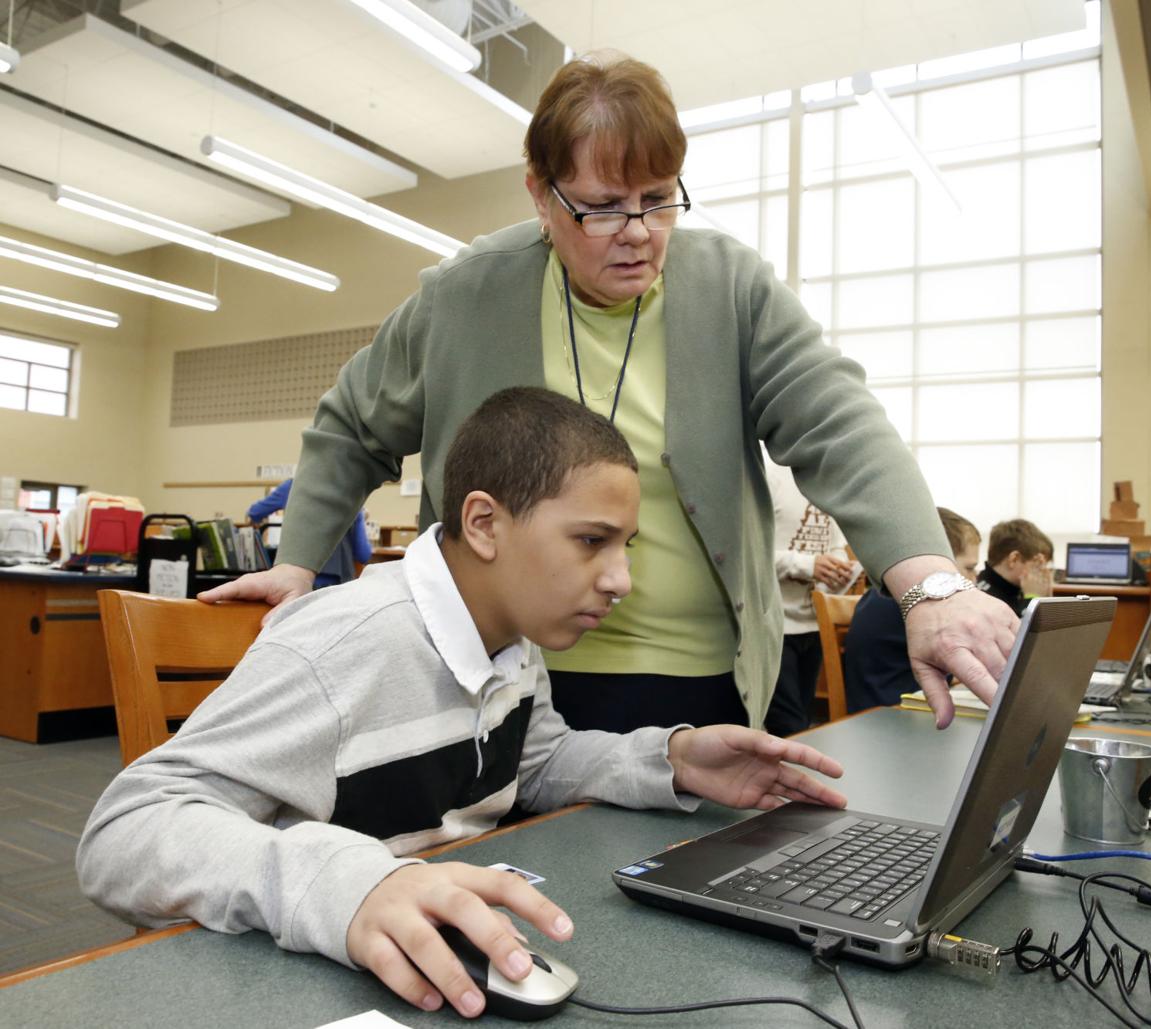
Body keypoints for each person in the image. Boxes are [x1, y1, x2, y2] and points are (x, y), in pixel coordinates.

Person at [199, 52, 1017, 733]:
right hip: (493, 676)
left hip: (700, 684)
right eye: (600, 208)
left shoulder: (727, 287)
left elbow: (840, 424)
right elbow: (349, 426)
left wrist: (930, 583)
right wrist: (298, 561)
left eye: (658, 200)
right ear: (539, 194)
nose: (637, 233)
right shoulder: (467, 294)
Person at [77, 388, 847, 1020]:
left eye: (627, 547)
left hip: (425, 961)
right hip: (272, 983)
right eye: (591, 541)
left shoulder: (512, 632)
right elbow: (124, 830)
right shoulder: (345, 646)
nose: (620, 579)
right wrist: (355, 881)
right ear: (484, 523)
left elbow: (533, 761)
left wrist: (670, 761)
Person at [843, 508, 981, 713]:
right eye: (969, 568)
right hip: (893, 718)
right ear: (941, 560)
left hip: (890, 710)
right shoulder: (915, 603)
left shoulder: (888, 594)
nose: (974, 578)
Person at [762, 449, 854, 735]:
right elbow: (750, 553)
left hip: (813, 622)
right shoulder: (769, 473)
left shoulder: (829, 481)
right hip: (773, 624)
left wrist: (840, 570)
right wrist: (807, 565)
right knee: (789, 725)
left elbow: (835, 543)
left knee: (804, 718)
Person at [248, 478, 371, 588]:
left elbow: (254, 513)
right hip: (339, 585)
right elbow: (363, 555)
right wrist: (360, 517)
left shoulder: (292, 486)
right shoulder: (352, 493)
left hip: (298, 580)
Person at [977, 518, 1054, 618]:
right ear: (1014, 559)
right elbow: (1022, 631)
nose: (1043, 573)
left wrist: (1047, 600)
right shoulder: (987, 599)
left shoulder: (1013, 589)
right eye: (1038, 566)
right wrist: (1032, 598)